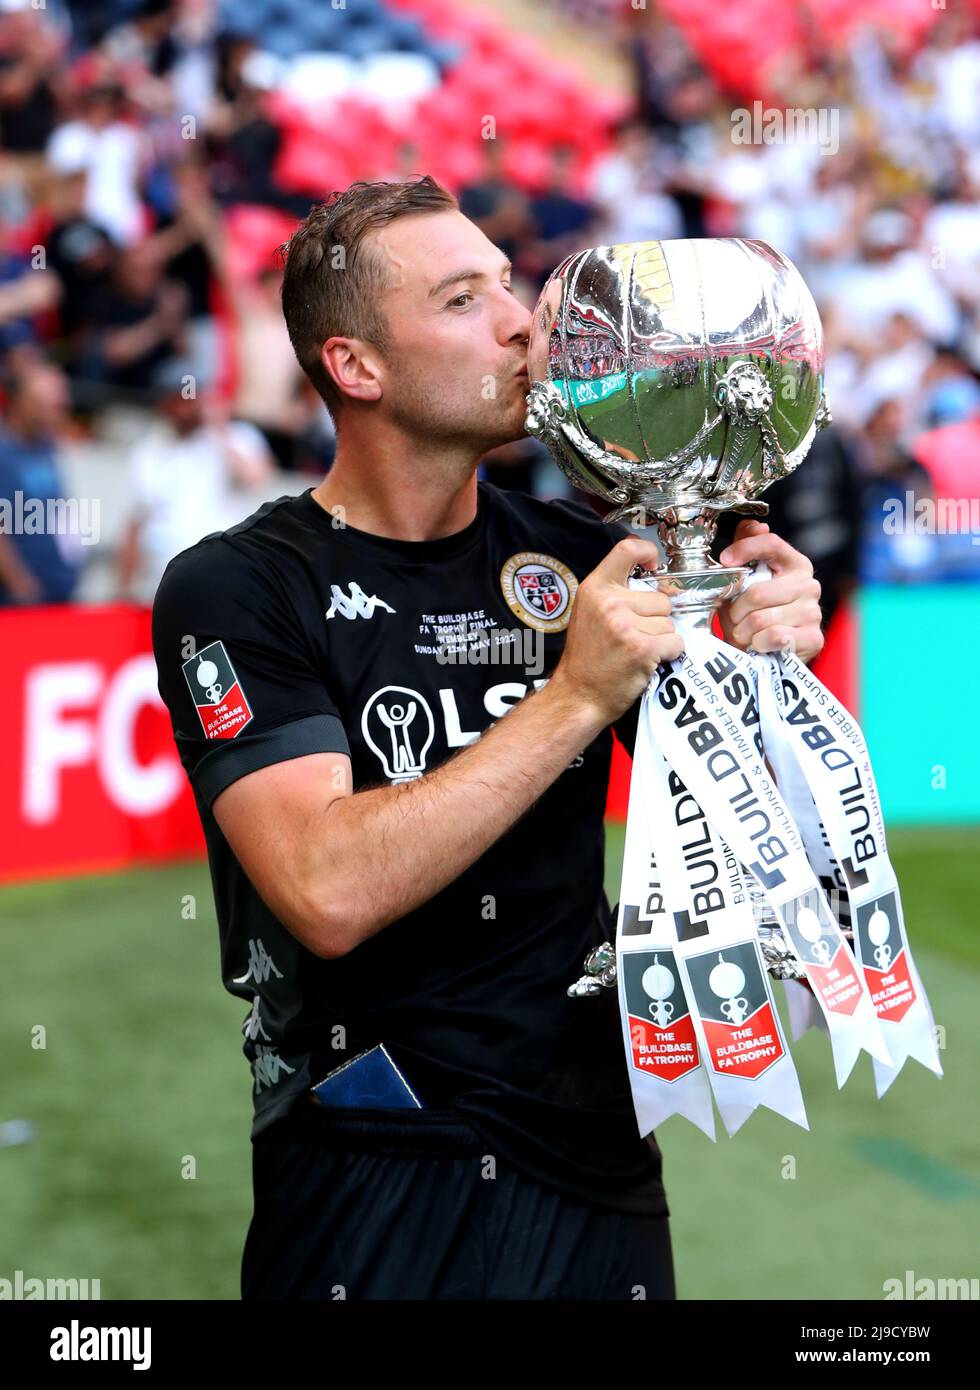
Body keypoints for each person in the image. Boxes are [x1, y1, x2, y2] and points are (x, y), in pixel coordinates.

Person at [150, 177, 823, 1301]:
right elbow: (323, 887)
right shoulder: (238, 585)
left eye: (508, 284)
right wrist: (571, 697)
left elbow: (749, 864)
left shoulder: (578, 552)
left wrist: (756, 664)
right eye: (464, 299)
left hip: (594, 1151)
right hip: (372, 1152)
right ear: (355, 367)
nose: (524, 321)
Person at [0, 358, 82, 605]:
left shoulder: (46, 446)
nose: (58, 408)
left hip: (58, 590)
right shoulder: (5, 451)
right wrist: (20, 585)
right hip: (23, 602)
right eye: (46, 402)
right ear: (21, 400)